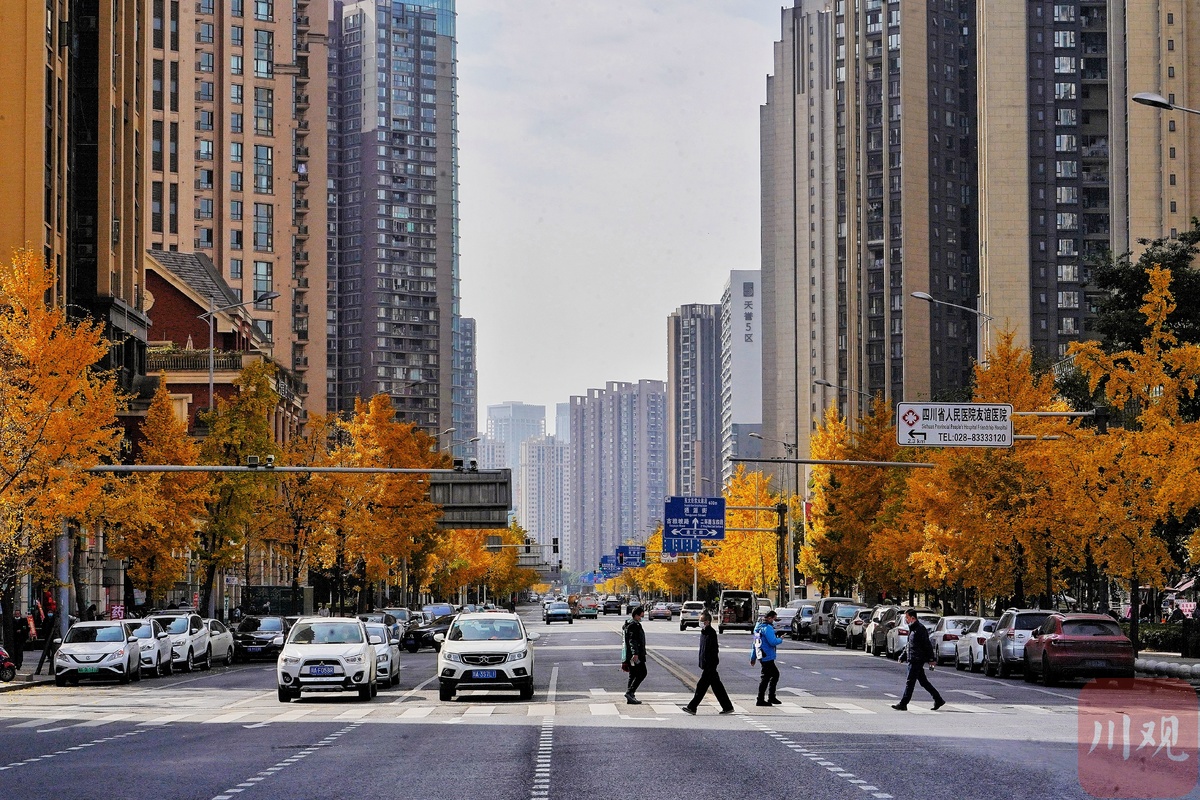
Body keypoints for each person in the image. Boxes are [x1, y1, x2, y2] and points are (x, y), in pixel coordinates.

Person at [892, 608, 945, 711]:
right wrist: (903, 656)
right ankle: (938, 699)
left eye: (907, 618)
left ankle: (903, 703)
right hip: (913, 658)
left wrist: (931, 658)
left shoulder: (920, 629)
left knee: (910, 683)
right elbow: (909, 645)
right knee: (923, 682)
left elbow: (927, 644)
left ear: (912, 618)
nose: (906, 620)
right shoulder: (912, 628)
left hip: (917, 660)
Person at [683, 611, 734, 715]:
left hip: (710, 665)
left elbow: (713, 650)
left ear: (707, 622)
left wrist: (710, 664)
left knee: (701, 687)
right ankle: (727, 706)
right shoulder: (704, 632)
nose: (700, 622)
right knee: (717, 687)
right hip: (707, 665)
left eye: (701, 620)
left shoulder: (710, 632)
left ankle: (692, 707)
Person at [751, 609, 785, 706]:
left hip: (761, 655)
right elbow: (772, 642)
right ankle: (763, 698)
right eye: (774, 619)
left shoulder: (758, 628)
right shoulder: (768, 628)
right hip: (767, 655)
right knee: (769, 676)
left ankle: (769, 697)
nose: (774, 621)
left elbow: (755, 644)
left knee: (771, 676)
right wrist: (780, 639)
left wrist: (753, 657)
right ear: (769, 618)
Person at [622, 605, 647, 704]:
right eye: (640, 616)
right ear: (636, 615)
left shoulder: (631, 624)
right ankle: (630, 692)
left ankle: (630, 696)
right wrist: (635, 653)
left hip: (631, 654)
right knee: (642, 673)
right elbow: (633, 641)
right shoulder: (633, 625)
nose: (641, 618)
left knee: (633, 675)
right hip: (635, 655)